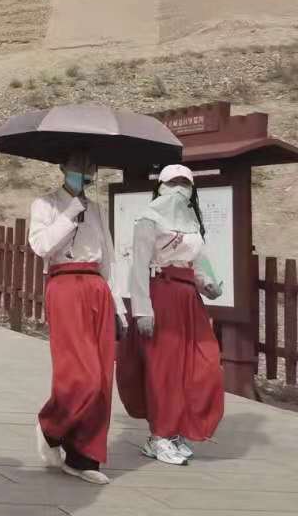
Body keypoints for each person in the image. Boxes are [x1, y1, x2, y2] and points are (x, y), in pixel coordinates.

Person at [29, 151, 126, 484]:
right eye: (77, 165)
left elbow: (108, 259)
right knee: (80, 374)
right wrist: (71, 212)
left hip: (97, 287)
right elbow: (42, 246)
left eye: (90, 166)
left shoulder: (96, 208)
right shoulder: (45, 204)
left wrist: (119, 308)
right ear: (62, 167)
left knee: (101, 377)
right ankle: (51, 426)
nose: (84, 171)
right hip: (65, 284)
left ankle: (83, 456)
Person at [129, 164, 225, 466]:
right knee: (165, 369)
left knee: (203, 364)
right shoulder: (148, 218)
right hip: (162, 295)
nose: (179, 188)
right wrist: (142, 310)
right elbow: (139, 266)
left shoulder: (192, 220)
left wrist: (208, 284)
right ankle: (159, 435)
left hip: (189, 300)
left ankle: (177, 429)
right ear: (161, 186)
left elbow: (197, 262)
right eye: (174, 182)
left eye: (185, 183)